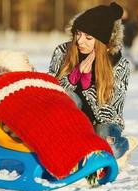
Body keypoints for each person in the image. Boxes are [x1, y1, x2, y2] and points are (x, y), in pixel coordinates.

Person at [48, 2, 132, 160]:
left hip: (103, 124)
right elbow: (50, 94)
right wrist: (73, 78)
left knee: (107, 147)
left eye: (88, 37)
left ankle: (124, 144)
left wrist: (87, 84)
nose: (80, 41)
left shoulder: (120, 65)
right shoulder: (62, 52)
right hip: (70, 124)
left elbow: (109, 115)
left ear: (102, 41)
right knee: (67, 96)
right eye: (78, 33)